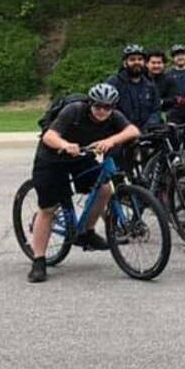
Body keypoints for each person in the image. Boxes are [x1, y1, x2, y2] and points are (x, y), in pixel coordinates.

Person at [26, 83, 141, 283]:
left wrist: (111, 140)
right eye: (98, 106)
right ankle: (39, 260)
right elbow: (49, 136)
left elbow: (133, 130)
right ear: (90, 104)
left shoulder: (113, 115)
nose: (103, 111)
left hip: (81, 155)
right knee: (48, 208)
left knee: (104, 188)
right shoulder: (74, 111)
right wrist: (65, 145)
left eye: (108, 107)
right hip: (52, 158)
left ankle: (87, 232)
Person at [106, 44, 163, 131]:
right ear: (125, 63)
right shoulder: (114, 83)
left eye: (140, 59)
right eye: (132, 59)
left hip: (147, 134)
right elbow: (107, 109)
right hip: (121, 133)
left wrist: (148, 127)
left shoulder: (150, 85)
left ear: (144, 62)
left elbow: (156, 110)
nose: (137, 62)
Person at [145, 49, 176, 115]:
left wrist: (159, 102)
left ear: (164, 64)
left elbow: (174, 99)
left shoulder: (169, 80)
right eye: (153, 63)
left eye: (159, 63)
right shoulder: (140, 79)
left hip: (163, 114)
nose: (156, 66)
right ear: (147, 64)